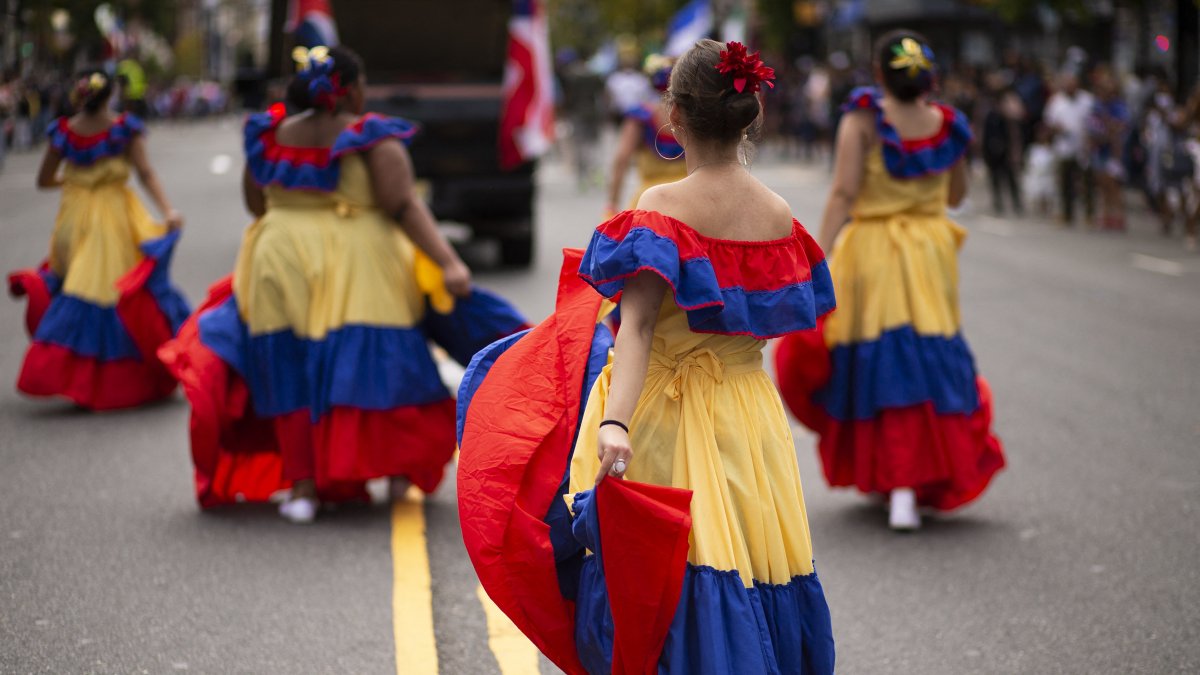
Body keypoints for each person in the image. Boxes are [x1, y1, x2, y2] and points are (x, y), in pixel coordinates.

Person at [458, 40, 836, 674]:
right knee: (748, 555)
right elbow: (768, 325)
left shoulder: (660, 209)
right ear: (748, 115)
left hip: (664, 406)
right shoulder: (777, 214)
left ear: (676, 117)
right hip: (748, 414)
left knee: (664, 565)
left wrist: (615, 422)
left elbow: (634, 330)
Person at [157, 46, 525, 521]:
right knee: (381, 362)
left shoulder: (267, 136)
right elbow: (403, 204)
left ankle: (303, 490)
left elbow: (257, 204)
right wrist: (449, 262)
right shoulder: (370, 136)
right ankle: (396, 477)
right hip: (359, 261)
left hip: (278, 260)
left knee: (286, 366)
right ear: (352, 89)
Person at [775, 31, 1004, 530]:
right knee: (927, 351)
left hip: (874, 250)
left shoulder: (862, 119)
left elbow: (843, 193)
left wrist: (812, 259)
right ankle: (915, 481)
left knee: (882, 356)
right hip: (931, 251)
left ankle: (897, 482)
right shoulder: (948, 124)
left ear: (879, 73)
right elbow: (956, 194)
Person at [8, 69, 189, 410]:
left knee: (82, 288)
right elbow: (145, 173)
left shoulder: (64, 132)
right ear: (110, 95)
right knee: (115, 290)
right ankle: (121, 378)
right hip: (114, 219)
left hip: (73, 221)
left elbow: (44, 179)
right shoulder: (123, 128)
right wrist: (167, 210)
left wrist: (77, 182)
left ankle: (80, 377)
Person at [605, 54, 685, 214]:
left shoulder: (641, 117)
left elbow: (621, 160)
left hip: (651, 206)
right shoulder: (695, 116)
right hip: (690, 202)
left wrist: (612, 206)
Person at [1044, 72, 1096, 225]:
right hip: (1064, 148)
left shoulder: (1087, 100)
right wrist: (1056, 129)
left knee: (1087, 184)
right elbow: (1049, 123)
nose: (1070, 87)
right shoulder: (1056, 102)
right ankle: (1067, 214)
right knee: (1065, 183)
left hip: (1083, 148)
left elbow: (1094, 122)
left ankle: (1089, 215)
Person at [1088, 67, 1130, 230]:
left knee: (1114, 186)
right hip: (1100, 149)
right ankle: (1106, 215)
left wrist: (1110, 128)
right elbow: (1092, 126)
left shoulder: (1118, 106)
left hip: (1115, 152)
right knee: (1102, 185)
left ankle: (1118, 216)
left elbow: (1121, 126)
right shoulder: (1097, 105)